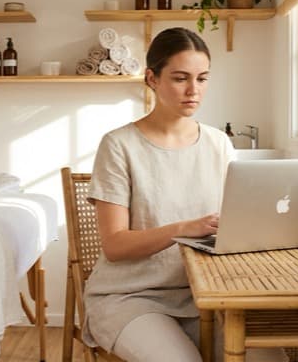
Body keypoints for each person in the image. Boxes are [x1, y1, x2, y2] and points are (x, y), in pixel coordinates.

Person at [83, 27, 234, 361]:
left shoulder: (219, 144)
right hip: (130, 296)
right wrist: (182, 229)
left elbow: (232, 224)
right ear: (151, 78)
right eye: (180, 78)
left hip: (206, 293)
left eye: (203, 78)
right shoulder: (118, 145)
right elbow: (115, 246)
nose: (194, 90)